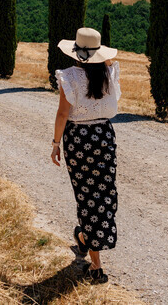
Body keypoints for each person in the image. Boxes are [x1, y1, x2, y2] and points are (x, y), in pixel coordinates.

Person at [50, 27, 120, 284]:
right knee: (104, 194)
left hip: (79, 139)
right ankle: (84, 239)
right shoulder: (109, 74)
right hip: (104, 136)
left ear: (76, 53)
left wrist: (56, 143)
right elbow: (107, 62)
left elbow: (62, 114)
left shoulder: (69, 77)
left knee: (87, 197)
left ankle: (96, 266)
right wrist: (101, 57)